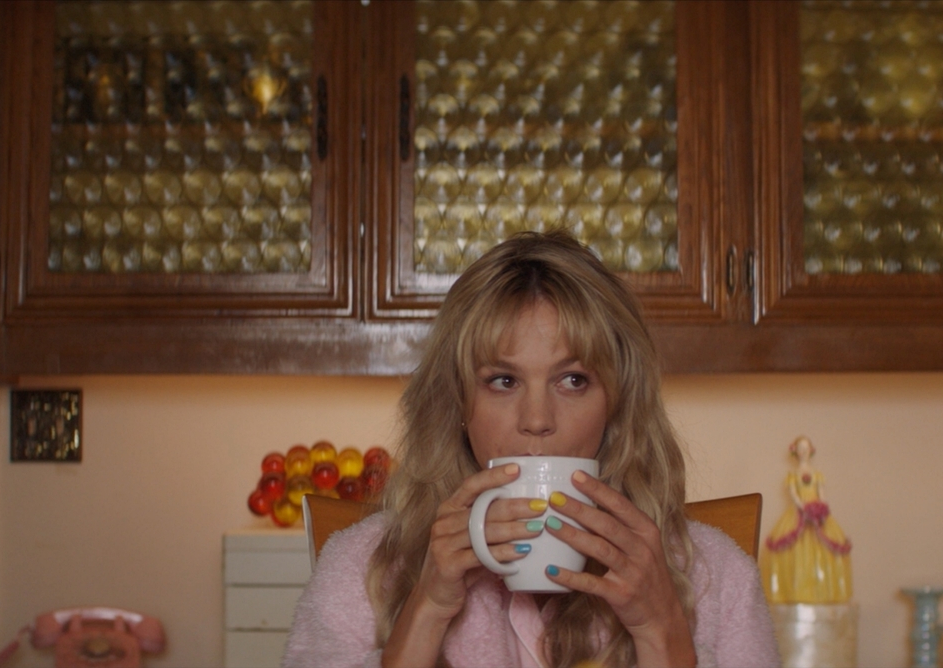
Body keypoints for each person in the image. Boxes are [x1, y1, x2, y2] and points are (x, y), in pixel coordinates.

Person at [283, 232, 779, 668]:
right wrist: (427, 608)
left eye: (573, 379)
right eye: (503, 380)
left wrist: (662, 633)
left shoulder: (718, 578)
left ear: (617, 401)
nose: (537, 420)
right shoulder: (363, 566)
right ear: (458, 400)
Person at [762, 436, 852, 604]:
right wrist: (803, 507)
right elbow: (794, 494)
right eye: (800, 448)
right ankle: (793, 591)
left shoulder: (817, 474)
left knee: (824, 545)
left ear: (811, 450)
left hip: (817, 512)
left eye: (805, 448)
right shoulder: (793, 475)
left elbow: (821, 493)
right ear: (795, 451)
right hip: (799, 511)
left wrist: (822, 508)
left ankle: (822, 591)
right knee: (794, 547)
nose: (803, 451)